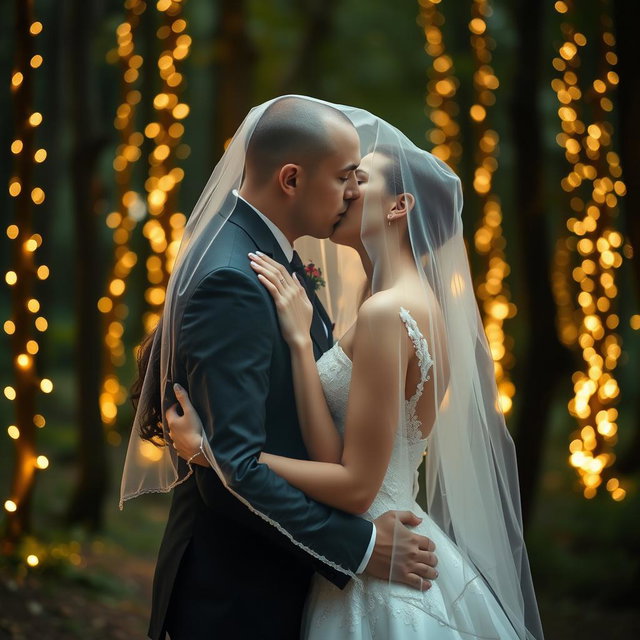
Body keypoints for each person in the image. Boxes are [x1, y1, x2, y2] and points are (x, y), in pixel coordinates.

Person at [167, 105, 544, 638]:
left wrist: (215, 455)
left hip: (379, 555)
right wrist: (301, 343)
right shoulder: (371, 302)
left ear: (399, 206)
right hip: (333, 560)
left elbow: (356, 483)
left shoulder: (390, 312)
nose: (346, 192)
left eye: (358, 179)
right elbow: (334, 454)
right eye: (343, 177)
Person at [120, 96, 438, 640]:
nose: (351, 192)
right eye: (343, 178)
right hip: (237, 597)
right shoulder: (233, 277)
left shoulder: (270, 255)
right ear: (291, 179)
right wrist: (361, 547)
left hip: (288, 573)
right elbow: (235, 468)